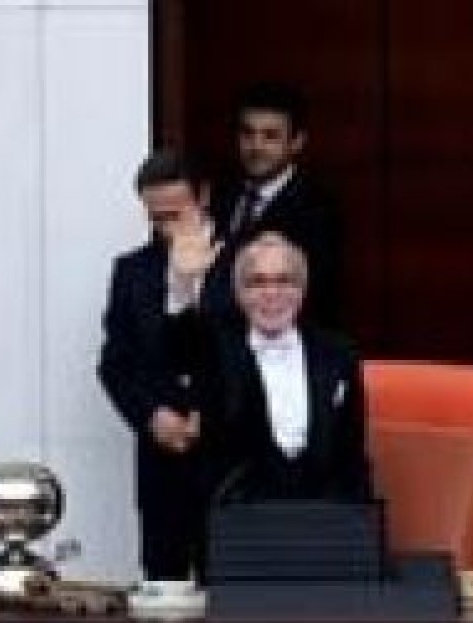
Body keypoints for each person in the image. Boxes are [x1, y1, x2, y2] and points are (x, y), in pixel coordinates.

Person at [97, 150, 236, 581]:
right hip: (162, 459)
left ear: (203, 196)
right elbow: (115, 363)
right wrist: (151, 415)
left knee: (233, 585)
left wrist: (207, 411)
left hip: (229, 455)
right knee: (162, 582)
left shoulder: (246, 262)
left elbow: (245, 350)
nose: (167, 227)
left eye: (176, 214)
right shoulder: (133, 270)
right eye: (156, 218)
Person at [204, 232, 372, 503]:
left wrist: (359, 520)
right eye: (257, 282)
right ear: (239, 293)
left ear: (302, 290)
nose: (272, 294)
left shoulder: (337, 354)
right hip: (242, 514)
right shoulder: (216, 357)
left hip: (323, 513)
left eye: (284, 281)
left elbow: (352, 454)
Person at [209, 82, 344, 328]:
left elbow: (312, 295)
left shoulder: (317, 208)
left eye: (270, 136)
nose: (256, 146)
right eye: (247, 134)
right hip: (217, 338)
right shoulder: (219, 194)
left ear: (297, 142)